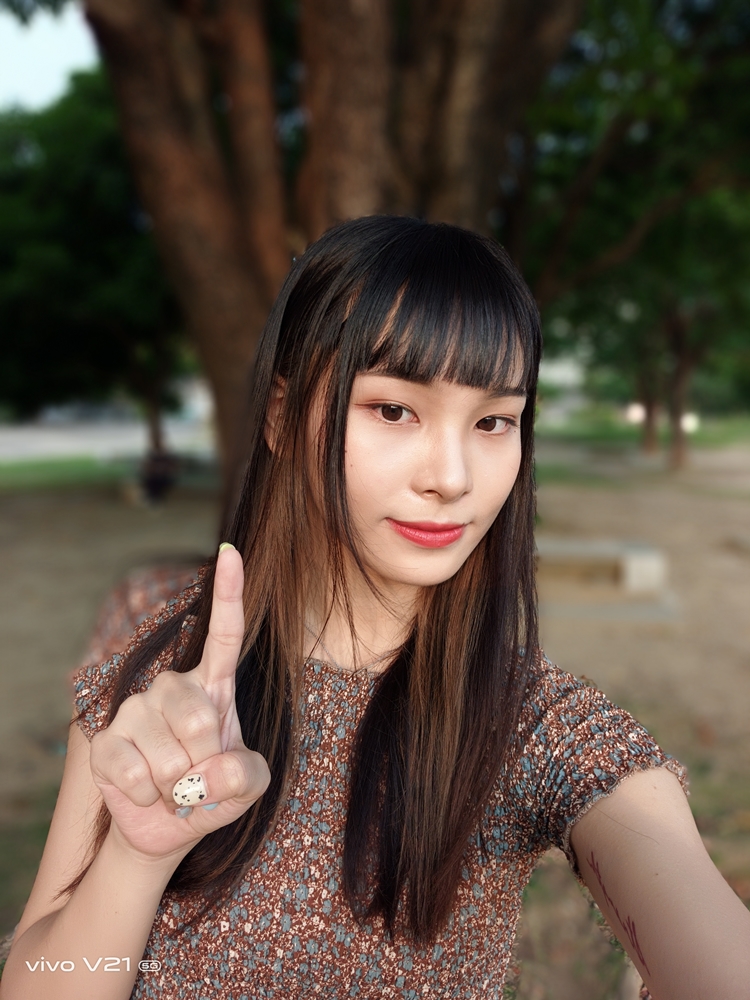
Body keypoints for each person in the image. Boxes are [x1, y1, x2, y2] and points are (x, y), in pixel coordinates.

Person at [2, 216, 748, 1000]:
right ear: (282, 416)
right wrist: (136, 856)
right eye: (395, 410)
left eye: (493, 421)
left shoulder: (537, 727)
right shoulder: (166, 667)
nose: (451, 477)